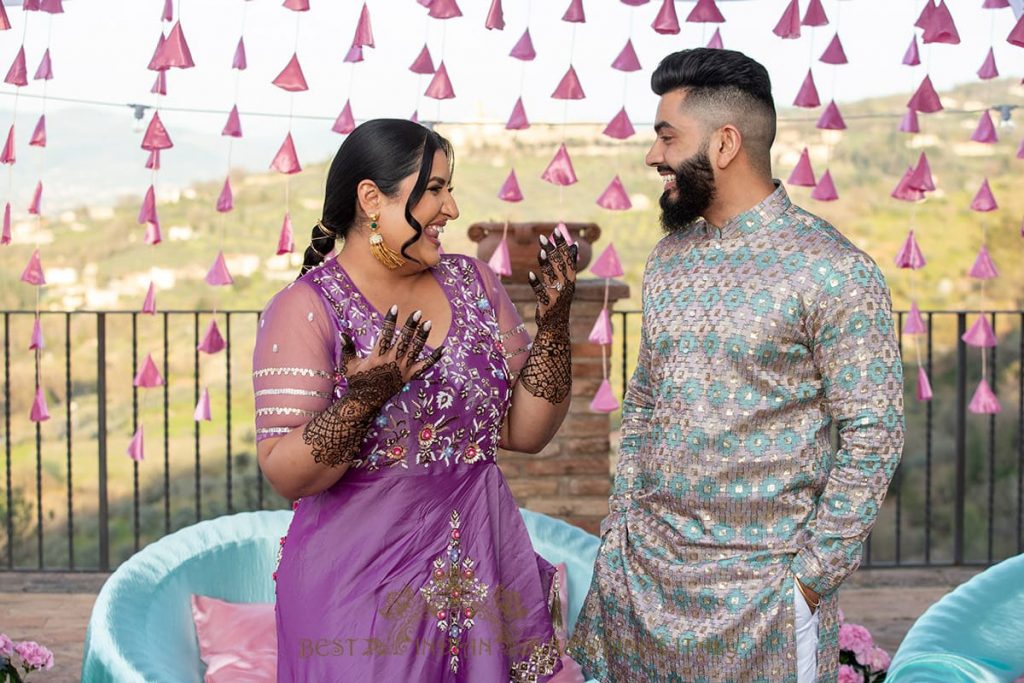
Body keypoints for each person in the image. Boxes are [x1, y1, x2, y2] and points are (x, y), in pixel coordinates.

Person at [569, 49, 904, 683]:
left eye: (668, 136)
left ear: (725, 143)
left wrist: (811, 579)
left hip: (765, 600)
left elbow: (874, 434)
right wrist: (621, 527)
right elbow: (644, 399)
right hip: (642, 584)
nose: (653, 156)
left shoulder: (833, 269)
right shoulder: (669, 258)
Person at [253, 119, 580, 681]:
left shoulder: (475, 283)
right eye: (434, 189)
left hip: (480, 571)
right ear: (371, 198)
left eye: (449, 188)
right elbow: (287, 474)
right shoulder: (308, 307)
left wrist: (552, 331)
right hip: (361, 592)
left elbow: (525, 434)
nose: (451, 208)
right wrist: (362, 402)